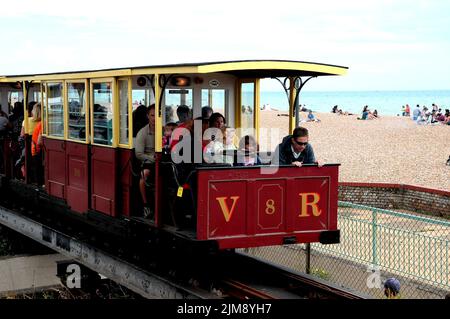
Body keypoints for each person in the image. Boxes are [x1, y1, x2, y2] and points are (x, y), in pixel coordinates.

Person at [135, 105, 156, 218]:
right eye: (152, 115)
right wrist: (152, 158)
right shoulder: (142, 133)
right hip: (148, 161)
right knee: (145, 175)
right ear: (148, 116)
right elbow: (138, 154)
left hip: (163, 161)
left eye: (157, 115)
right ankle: (146, 205)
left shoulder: (164, 130)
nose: (154, 118)